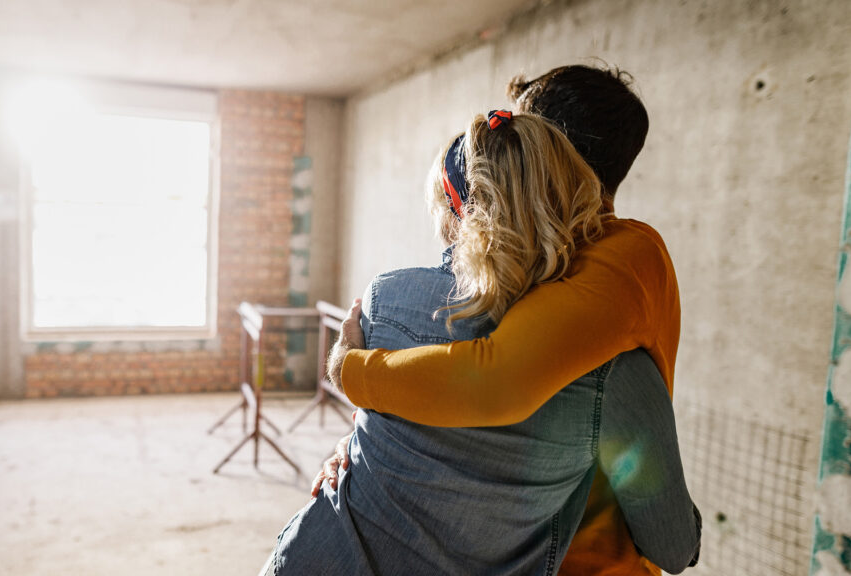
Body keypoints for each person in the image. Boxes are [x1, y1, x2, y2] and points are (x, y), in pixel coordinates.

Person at [263, 110, 699, 575]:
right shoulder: (614, 362)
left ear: (454, 209)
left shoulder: (383, 300)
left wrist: (345, 378)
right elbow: (671, 546)